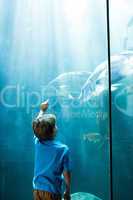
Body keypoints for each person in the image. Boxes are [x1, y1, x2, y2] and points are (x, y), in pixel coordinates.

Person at [32, 100, 71, 200]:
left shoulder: (38, 142)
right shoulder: (63, 149)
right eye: (55, 125)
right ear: (53, 130)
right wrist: (67, 190)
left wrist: (42, 110)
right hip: (52, 192)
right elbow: (66, 173)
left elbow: (36, 128)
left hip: (37, 190)